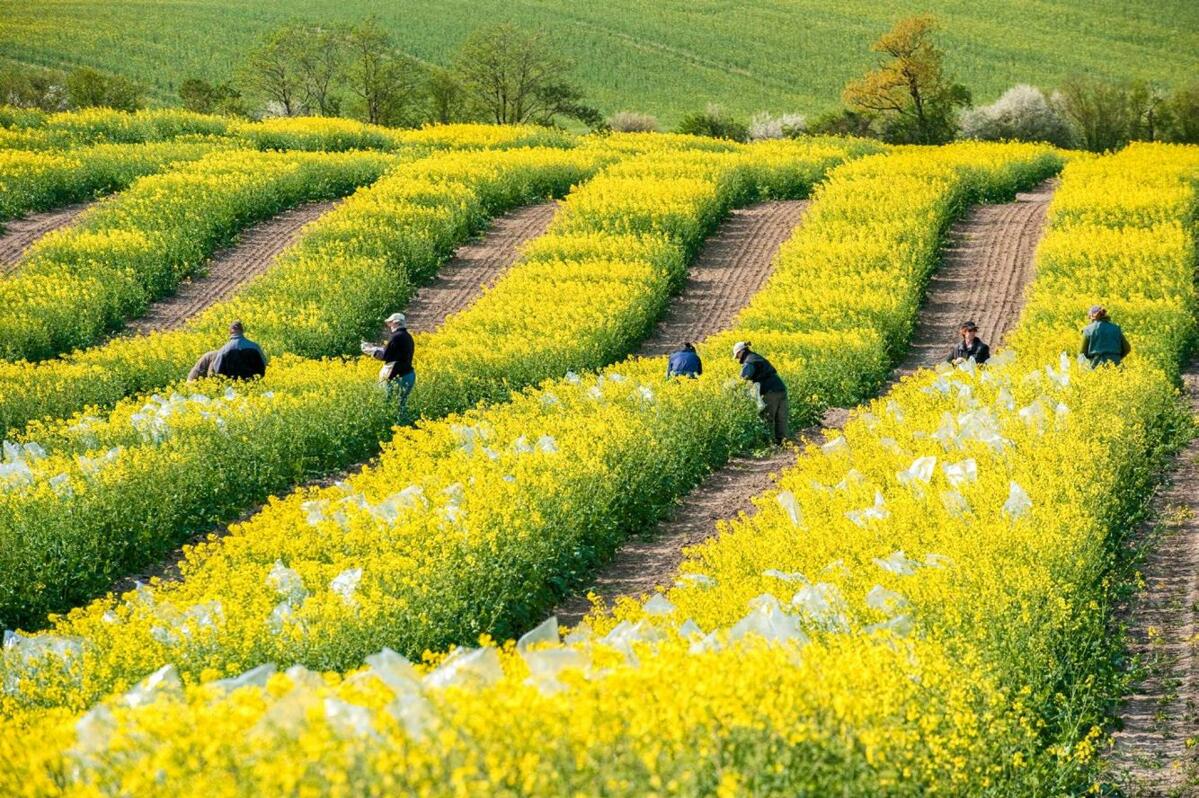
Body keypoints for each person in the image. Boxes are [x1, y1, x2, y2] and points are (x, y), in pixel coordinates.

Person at [362, 312, 415, 420]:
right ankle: (403, 429)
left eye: (390, 323)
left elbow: (385, 356)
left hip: (397, 376)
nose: (389, 326)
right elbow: (394, 353)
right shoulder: (408, 336)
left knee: (387, 404)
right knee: (401, 405)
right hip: (409, 374)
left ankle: (391, 427)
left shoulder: (396, 337)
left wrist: (371, 352)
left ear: (395, 323)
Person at [733, 341, 788, 446]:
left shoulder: (749, 362)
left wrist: (734, 386)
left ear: (741, 352)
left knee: (767, 417)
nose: (737, 359)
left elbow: (744, 378)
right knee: (781, 417)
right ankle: (783, 443)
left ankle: (768, 444)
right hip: (780, 387)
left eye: (737, 356)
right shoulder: (757, 357)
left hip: (769, 391)